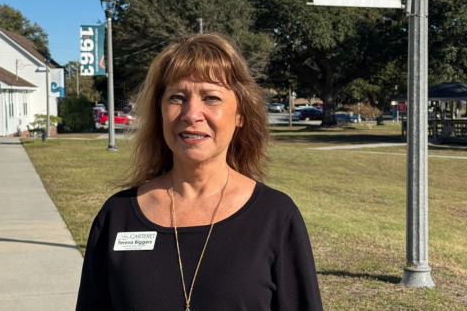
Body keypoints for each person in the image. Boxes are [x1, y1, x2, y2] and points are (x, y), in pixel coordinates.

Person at [76, 33, 323, 311]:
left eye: (211, 97)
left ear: (240, 114)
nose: (191, 114)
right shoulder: (117, 217)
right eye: (177, 97)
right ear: (159, 111)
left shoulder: (276, 217)